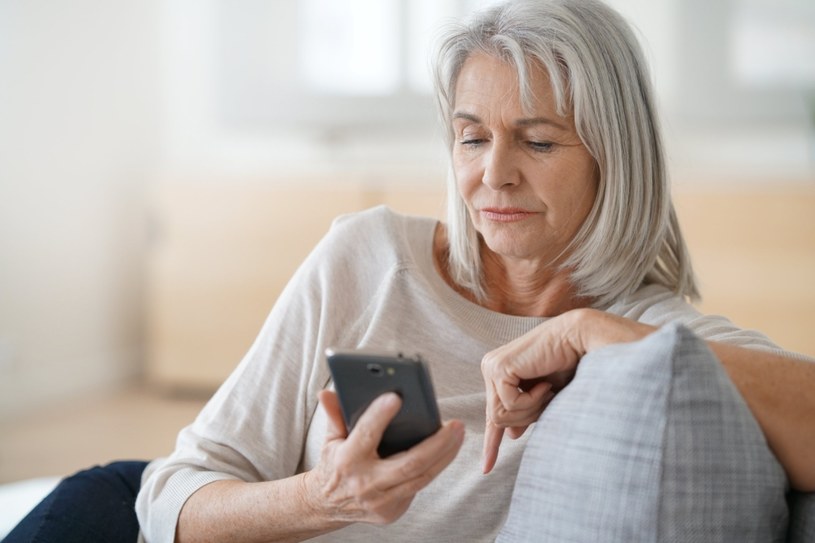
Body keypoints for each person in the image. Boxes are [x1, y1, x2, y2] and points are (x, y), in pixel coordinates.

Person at [5, 0, 814, 541]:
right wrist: (322, 496)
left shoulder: (657, 345)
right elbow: (173, 488)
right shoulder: (370, 253)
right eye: (470, 136)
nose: (491, 176)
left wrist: (593, 331)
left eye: (536, 141)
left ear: (616, 155)